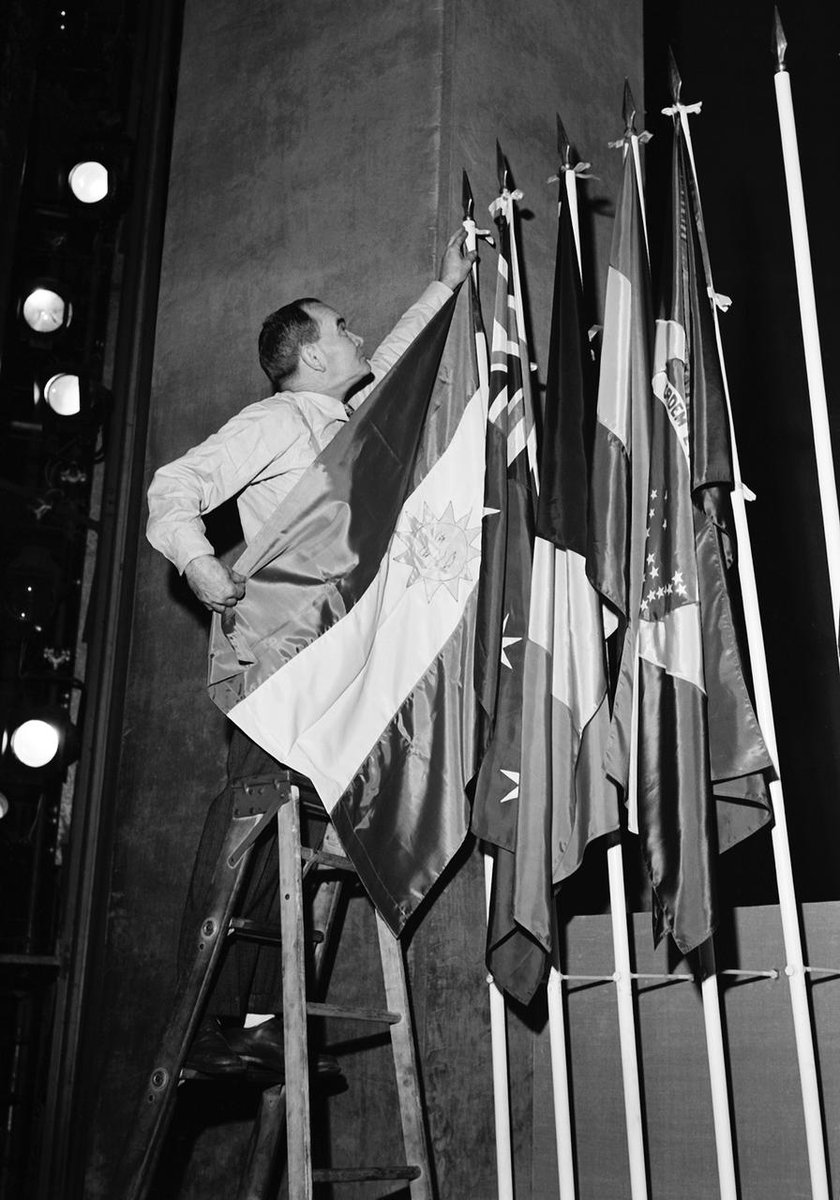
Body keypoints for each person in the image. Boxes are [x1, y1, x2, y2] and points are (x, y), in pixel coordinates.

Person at [145, 227, 476, 1076]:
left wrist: (444, 287)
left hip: (336, 668)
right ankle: (214, 1025)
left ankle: (262, 1022)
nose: (356, 335)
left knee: (298, 855)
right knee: (252, 834)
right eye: (341, 328)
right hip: (278, 663)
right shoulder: (276, 419)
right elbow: (172, 488)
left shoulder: (349, 422)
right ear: (309, 355)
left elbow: (394, 361)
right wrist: (200, 561)